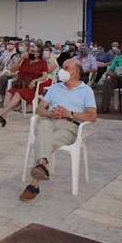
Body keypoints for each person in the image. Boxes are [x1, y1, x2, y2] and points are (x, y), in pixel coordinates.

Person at [20, 59, 97, 200]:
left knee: (43, 142)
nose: (62, 70)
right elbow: (38, 109)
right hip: (50, 121)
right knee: (43, 125)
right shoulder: (55, 87)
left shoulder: (86, 91)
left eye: (66, 68)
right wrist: (50, 113)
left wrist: (70, 114)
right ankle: (42, 166)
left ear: (76, 72)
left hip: (69, 126)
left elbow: (92, 116)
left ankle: (35, 182)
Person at [0, 44, 48, 127]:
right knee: (9, 92)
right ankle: (4, 117)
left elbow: (44, 76)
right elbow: (12, 69)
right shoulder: (25, 60)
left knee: (19, 93)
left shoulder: (42, 62)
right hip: (20, 83)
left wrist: (35, 80)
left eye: (33, 52)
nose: (30, 53)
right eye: (29, 51)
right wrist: (21, 58)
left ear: (38, 53)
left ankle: (1, 113)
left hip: (32, 86)